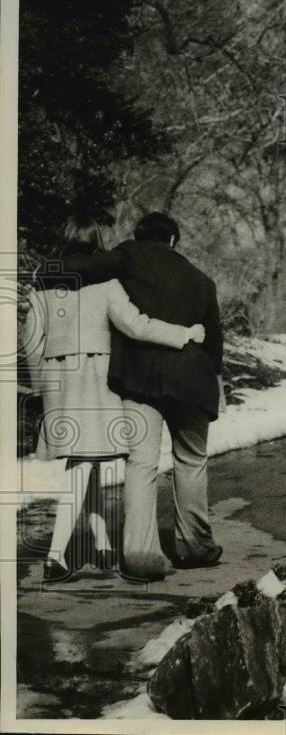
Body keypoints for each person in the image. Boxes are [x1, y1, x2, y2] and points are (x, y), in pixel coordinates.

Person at [40, 211, 225, 581]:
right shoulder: (203, 281)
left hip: (142, 380)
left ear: (138, 237)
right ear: (174, 240)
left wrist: (45, 273)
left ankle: (140, 556)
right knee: (191, 460)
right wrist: (216, 384)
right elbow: (214, 343)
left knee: (141, 465)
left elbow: (78, 270)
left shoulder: (127, 256)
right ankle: (196, 548)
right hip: (192, 379)